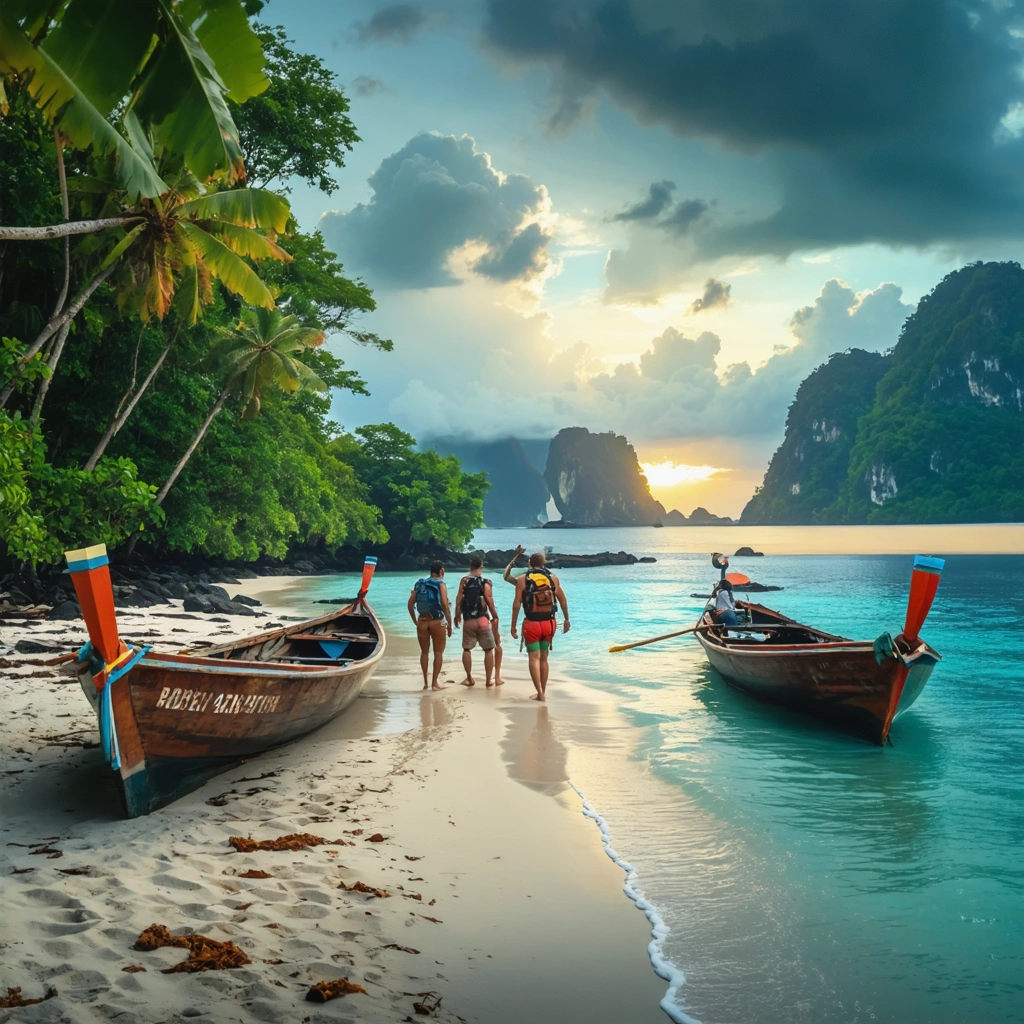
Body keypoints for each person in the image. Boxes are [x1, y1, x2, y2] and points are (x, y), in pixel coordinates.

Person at [510, 552, 570, 702]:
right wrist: (566, 619)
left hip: (532, 625)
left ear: (529, 563)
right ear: (544, 563)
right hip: (549, 624)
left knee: (533, 658)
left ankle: (539, 693)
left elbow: (517, 604)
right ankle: (543, 690)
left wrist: (513, 625)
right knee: (544, 658)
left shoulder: (523, 580)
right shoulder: (553, 578)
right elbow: (562, 601)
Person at [454, 555, 502, 687]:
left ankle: (469, 678)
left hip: (469, 621)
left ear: (470, 567)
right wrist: (495, 616)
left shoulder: (464, 581)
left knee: (466, 649)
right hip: (483, 621)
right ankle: (488, 680)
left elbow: (458, 601)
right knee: (488, 650)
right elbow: (489, 601)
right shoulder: (486, 582)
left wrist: (457, 616)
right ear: (481, 567)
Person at [408, 561, 451, 690]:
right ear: (441, 571)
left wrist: (415, 620)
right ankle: (435, 683)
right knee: (438, 653)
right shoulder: (441, 584)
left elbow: (410, 604)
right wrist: (449, 623)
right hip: (437, 622)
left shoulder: (419, 583)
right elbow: (444, 605)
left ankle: (426, 682)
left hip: (422, 621)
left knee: (424, 652)